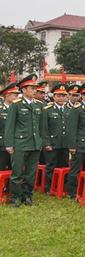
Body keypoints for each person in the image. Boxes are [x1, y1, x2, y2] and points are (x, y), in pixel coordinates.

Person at [4, 74, 45, 207]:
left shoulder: (39, 105)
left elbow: (41, 126)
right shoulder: (16, 105)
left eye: (35, 88)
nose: (35, 91)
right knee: (17, 173)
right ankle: (15, 198)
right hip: (20, 143)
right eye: (32, 88)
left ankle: (27, 197)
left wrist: (41, 141)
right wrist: (9, 144)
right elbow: (10, 126)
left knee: (31, 173)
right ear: (24, 90)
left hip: (34, 143)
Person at [66, 81, 85, 200]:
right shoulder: (77, 109)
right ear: (82, 95)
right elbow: (71, 129)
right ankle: (72, 191)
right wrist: (72, 146)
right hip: (79, 144)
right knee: (75, 169)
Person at [42, 84, 73, 194]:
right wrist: (46, 143)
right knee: (51, 166)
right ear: (54, 97)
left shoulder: (69, 110)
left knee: (64, 165)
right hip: (52, 143)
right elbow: (44, 128)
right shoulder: (47, 110)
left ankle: (62, 186)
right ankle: (49, 187)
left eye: (64, 96)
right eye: (59, 96)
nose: (61, 98)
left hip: (64, 143)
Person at [0, 82, 20, 171]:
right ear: (7, 96)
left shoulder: (19, 108)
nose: (17, 98)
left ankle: (10, 185)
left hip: (16, 144)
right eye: (15, 95)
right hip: (2, 144)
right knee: (1, 168)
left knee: (15, 170)